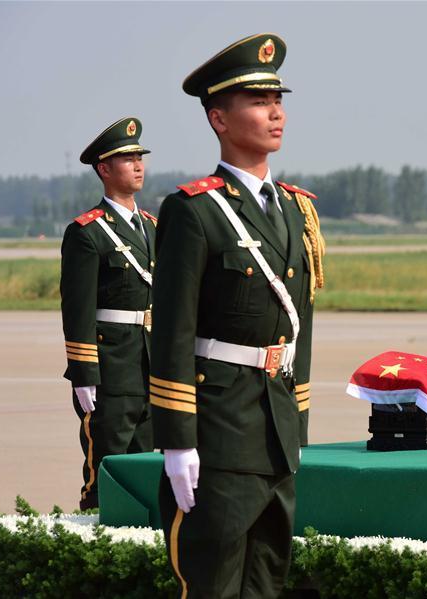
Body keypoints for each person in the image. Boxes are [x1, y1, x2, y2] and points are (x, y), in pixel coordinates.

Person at [149, 33, 323, 597]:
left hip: (275, 429)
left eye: (277, 99)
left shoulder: (297, 210)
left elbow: (302, 324)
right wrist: (178, 440)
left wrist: (297, 423)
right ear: (219, 118)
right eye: (257, 101)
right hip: (219, 430)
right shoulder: (194, 210)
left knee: (267, 581)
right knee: (214, 583)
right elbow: (172, 330)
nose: (275, 112)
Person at [60, 117, 155, 510]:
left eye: (139, 157)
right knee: (107, 469)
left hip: (151, 363)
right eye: (127, 158)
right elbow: (77, 308)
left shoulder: (152, 226)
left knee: (150, 468)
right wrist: (84, 374)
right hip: (111, 368)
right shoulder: (87, 232)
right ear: (104, 169)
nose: (138, 165)